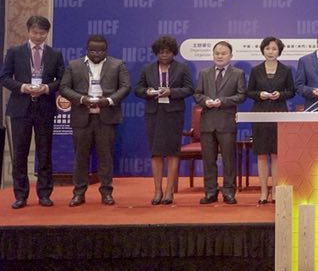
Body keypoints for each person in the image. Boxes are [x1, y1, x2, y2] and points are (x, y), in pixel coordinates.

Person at [1, 15, 65, 209]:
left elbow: (62, 80)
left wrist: (46, 88)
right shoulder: (15, 52)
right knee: (20, 153)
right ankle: (20, 195)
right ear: (28, 31)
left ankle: (44, 194)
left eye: (42, 33)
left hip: (45, 108)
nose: (38, 37)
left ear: (47, 33)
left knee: (44, 152)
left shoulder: (55, 54)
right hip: (21, 108)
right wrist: (22, 87)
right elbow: (4, 77)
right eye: (35, 32)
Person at [59, 35, 130, 207]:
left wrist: (109, 100)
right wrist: (82, 99)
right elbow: (64, 87)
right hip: (82, 117)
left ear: (106, 50)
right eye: (93, 51)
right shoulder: (74, 65)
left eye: (101, 51)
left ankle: (106, 193)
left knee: (105, 157)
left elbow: (125, 87)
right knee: (80, 158)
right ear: (86, 50)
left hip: (106, 117)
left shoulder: (117, 64)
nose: (97, 54)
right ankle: (78, 193)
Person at [134, 36, 195, 205]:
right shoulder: (147, 69)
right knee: (156, 152)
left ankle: (169, 190)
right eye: (161, 52)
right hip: (154, 114)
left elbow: (190, 89)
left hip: (173, 114)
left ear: (173, 52)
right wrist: (147, 92)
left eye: (167, 52)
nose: (164, 55)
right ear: (156, 53)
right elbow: (137, 89)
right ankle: (157, 190)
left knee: (172, 152)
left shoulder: (182, 68)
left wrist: (171, 92)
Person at [193, 41, 246, 205]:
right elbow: (197, 94)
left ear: (231, 55)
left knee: (229, 160)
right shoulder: (204, 73)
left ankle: (229, 192)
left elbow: (241, 96)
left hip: (227, 122)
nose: (220, 56)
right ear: (213, 55)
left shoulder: (238, 73)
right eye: (217, 53)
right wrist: (205, 101)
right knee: (209, 160)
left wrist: (222, 101)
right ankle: (210, 191)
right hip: (207, 123)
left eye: (223, 53)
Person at [246, 37, 295, 204]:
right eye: (267, 48)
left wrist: (280, 94)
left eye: (274, 49)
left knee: (276, 154)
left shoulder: (286, 70)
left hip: (279, 113)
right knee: (261, 154)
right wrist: (259, 94)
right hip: (260, 114)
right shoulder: (256, 70)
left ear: (279, 51)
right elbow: (249, 92)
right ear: (263, 50)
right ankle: (263, 191)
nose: (270, 52)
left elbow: (291, 91)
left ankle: (275, 190)